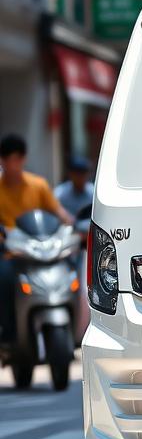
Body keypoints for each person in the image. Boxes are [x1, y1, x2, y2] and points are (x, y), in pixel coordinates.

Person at [0, 134, 73, 342]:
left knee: (70, 270)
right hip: (10, 253)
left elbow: (59, 212)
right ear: (2, 161)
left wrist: (72, 225)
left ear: (23, 159)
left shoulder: (37, 185)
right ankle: (8, 331)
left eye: (17, 159)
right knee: (4, 279)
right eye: (8, 160)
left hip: (39, 249)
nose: (13, 165)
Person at [54, 155, 95, 222]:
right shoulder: (60, 193)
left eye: (82, 173)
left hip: (87, 229)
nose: (79, 177)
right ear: (70, 174)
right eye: (76, 173)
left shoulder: (93, 193)